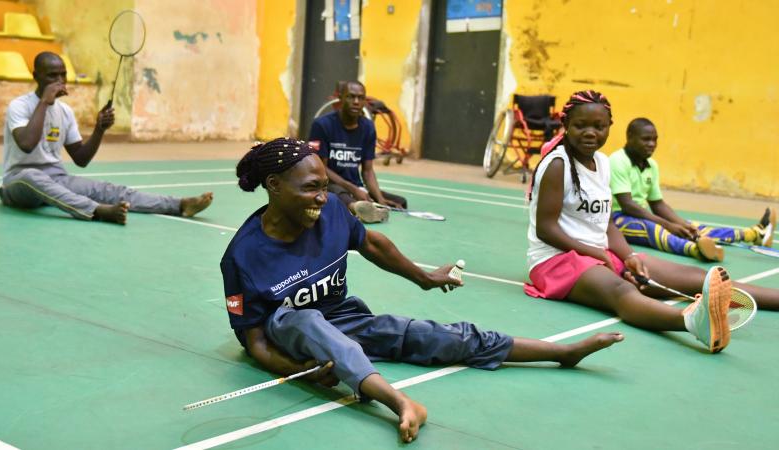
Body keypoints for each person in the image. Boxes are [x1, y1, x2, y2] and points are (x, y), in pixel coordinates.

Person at [221, 138, 624, 443]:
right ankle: (399, 402)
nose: (322, 197)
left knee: (428, 335)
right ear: (273, 185)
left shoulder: (330, 212)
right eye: (310, 187)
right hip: (290, 334)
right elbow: (254, 342)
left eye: (325, 185)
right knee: (307, 319)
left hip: (343, 319)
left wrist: (425, 278)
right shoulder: (242, 256)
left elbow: (374, 245)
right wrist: (299, 373)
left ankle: (560, 353)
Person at [525, 90, 779, 356]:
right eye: (580, 126)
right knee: (621, 290)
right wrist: (597, 254)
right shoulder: (557, 165)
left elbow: (606, 223)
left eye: (598, 127)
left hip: (600, 254)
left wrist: (630, 256)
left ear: (610, 127)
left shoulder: (602, 162)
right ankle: (694, 322)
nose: (590, 133)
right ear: (565, 125)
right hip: (557, 260)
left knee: (693, 277)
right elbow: (546, 229)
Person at [0, 52, 213, 225]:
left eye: (63, 75)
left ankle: (179, 205)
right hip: (18, 182)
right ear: (36, 76)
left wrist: (99, 129)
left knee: (108, 190)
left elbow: (81, 159)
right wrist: (44, 102)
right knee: (32, 177)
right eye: (52, 76)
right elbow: (26, 145)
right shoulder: (19, 106)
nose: (59, 81)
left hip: (57, 178)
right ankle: (97, 211)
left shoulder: (65, 112)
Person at [609, 117, 776, 262]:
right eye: (646, 139)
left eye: (655, 139)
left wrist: (682, 224)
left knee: (693, 227)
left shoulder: (651, 165)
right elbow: (627, 205)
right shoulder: (618, 161)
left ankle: (754, 234)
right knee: (655, 229)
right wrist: (668, 225)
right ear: (630, 137)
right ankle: (696, 250)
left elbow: (658, 204)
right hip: (618, 219)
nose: (652, 144)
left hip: (641, 214)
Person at [308, 80, 407, 223]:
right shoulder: (322, 124)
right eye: (351, 97)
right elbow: (321, 168)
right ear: (340, 98)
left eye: (360, 98)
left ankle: (368, 206)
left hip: (354, 186)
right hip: (327, 183)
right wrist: (354, 190)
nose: (356, 101)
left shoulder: (368, 127)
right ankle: (356, 207)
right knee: (337, 193)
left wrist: (380, 199)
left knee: (400, 202)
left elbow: (367, 171)